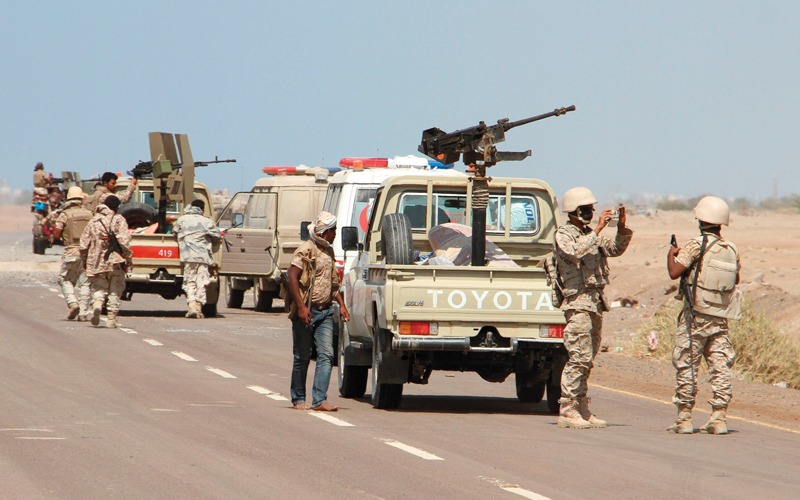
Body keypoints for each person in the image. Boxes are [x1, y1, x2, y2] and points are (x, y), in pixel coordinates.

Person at [553, 187, 633, 429]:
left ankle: (582, 406)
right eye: (587, 209)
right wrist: (597, 229)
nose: (592, 212)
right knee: (578, 356)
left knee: (588, 358)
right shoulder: (564, 235)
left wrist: (620, 229)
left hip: (595, 303)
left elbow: (615, 249)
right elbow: (574, 253)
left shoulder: (590, 234)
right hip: (577, 303)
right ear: (576, 211)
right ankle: (567, 409)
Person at [666, 196, 741, 435]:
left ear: (701, 221)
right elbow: (735, 280)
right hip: (719, 318)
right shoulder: (731, 249)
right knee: (720, 367)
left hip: (695, 318)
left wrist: (671, 254)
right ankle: (719, 418)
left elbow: (674, 272)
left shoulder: (696, 245)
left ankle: (685, 418)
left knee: (687, 364)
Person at [287, 211, 350, 412]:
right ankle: (298, 398)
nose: (335, 234)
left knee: (326, 355)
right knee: (302, 356)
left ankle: (319, 399)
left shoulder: (329, 251)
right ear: (325, 232)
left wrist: (341, 304)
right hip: (307, 312)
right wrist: (302, 307)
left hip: (325, 312)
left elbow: (333, 283)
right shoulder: (306, 250)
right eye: (334, 231)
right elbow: (292, 277)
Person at [79, 195, 132, 328]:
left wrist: (85, 261)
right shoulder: (119, 220)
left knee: (99, 287)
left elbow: (83, 244)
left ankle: (97, 304)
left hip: (97, 261)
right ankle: (111, 319)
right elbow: (124, 242)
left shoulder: (94, 221)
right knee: (115, 290)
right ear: (116, 207)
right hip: (115, 261)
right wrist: (129, 259)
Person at [173, 199, 222, 318]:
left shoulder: (182, 220)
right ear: (202, 209)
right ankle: (199, 307)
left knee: (189, 281)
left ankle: (192, 306)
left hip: (188, 257)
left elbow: (175, 233)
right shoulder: (207, 221)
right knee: (202, 282)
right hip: (203, 257)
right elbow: (217, 236)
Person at [52, 186, 93, 320]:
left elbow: (56, 234)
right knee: (85, 283)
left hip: (71, 251)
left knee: (64, 279)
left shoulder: (65, 215)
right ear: (81, 199)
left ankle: (72, 303)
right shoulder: (89, 214)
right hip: (87, 253)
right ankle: (83, 313)